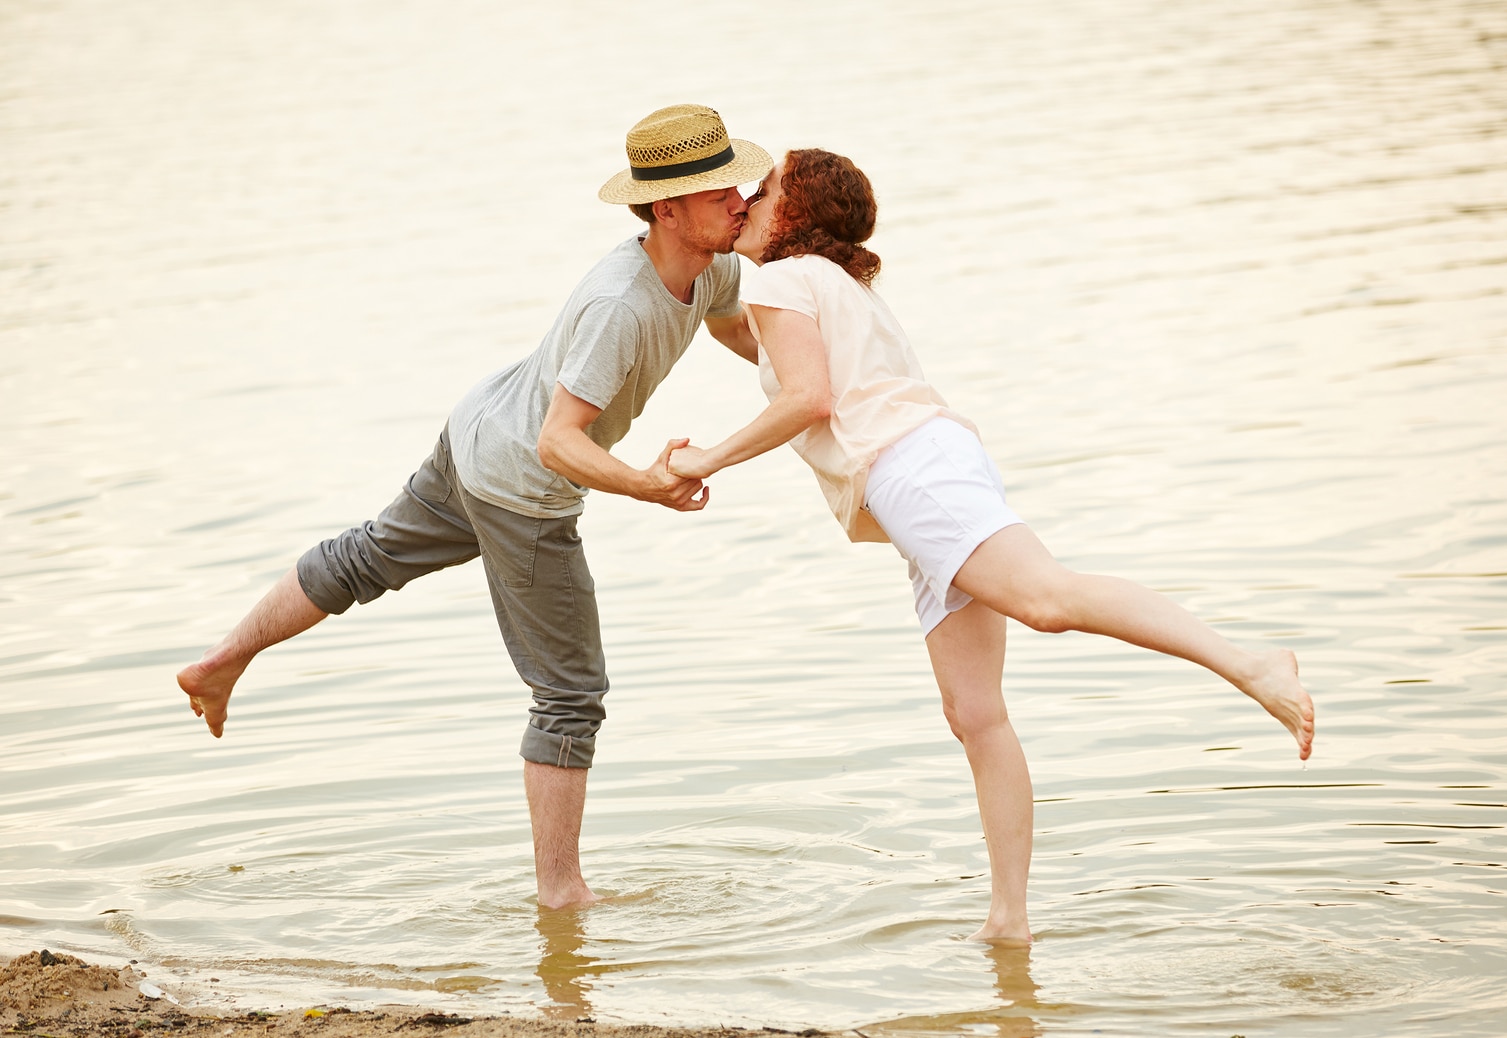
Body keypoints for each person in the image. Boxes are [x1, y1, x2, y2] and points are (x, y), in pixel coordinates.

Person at [666, 149, 1316, 944]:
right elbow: (746, 338)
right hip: (929, 468)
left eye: (760, 192)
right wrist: (692, 259)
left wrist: (706, 457)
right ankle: (1009, 921)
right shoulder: (820, 285)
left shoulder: (784, 279)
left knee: (1047, 599)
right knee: (975, 712)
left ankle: (1251, 664)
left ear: (794, 212)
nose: (743, 200)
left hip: (915, 473)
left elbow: (807, 397)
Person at [178, 105, 771, 910]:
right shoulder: (620, 306)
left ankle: (220, 662)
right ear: (666, 207)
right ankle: (562, 895)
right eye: (717, 191)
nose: (740, 200)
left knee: (366, 556)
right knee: (570, 692)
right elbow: (560, 443)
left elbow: (735, 326)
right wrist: (646, 483)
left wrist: (809, 378)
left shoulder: (711, 265)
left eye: (736, 182)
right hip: (521, 486)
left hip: (477, 428)